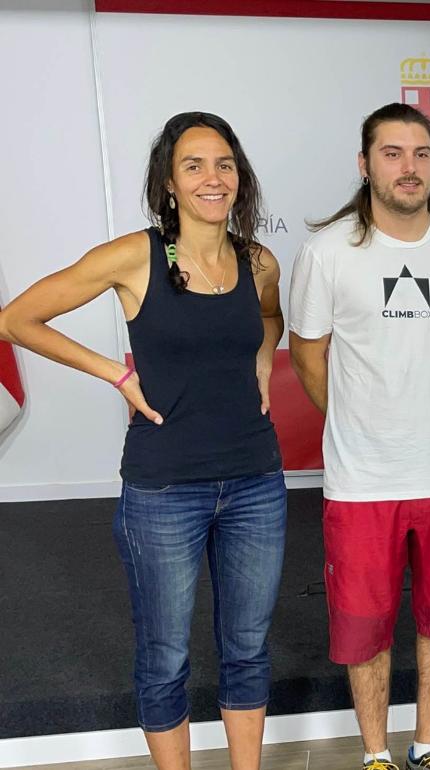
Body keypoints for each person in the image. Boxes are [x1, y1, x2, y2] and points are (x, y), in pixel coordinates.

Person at [0, 112, 286, 770]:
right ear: (169, 183)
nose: (212, 178)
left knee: (247, 648)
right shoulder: (137, 256)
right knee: (165, 656)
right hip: (163, 491)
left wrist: (266, 357)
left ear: (239, 178)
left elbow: (269, 316)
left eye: (224, 164)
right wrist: (115, 372)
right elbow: (17, 319)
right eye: (194, 166)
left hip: (255, 483)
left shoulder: (258, 261)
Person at [288, 102, 430, 770]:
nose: (409, 168)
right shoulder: (325, 252)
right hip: (362, 481)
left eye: (421, 154)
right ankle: (375, 755)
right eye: (393, 154)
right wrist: (357, 417)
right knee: (364, 627)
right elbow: (308, 355)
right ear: (365, 163)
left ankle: (428, 746)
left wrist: (429, 398)